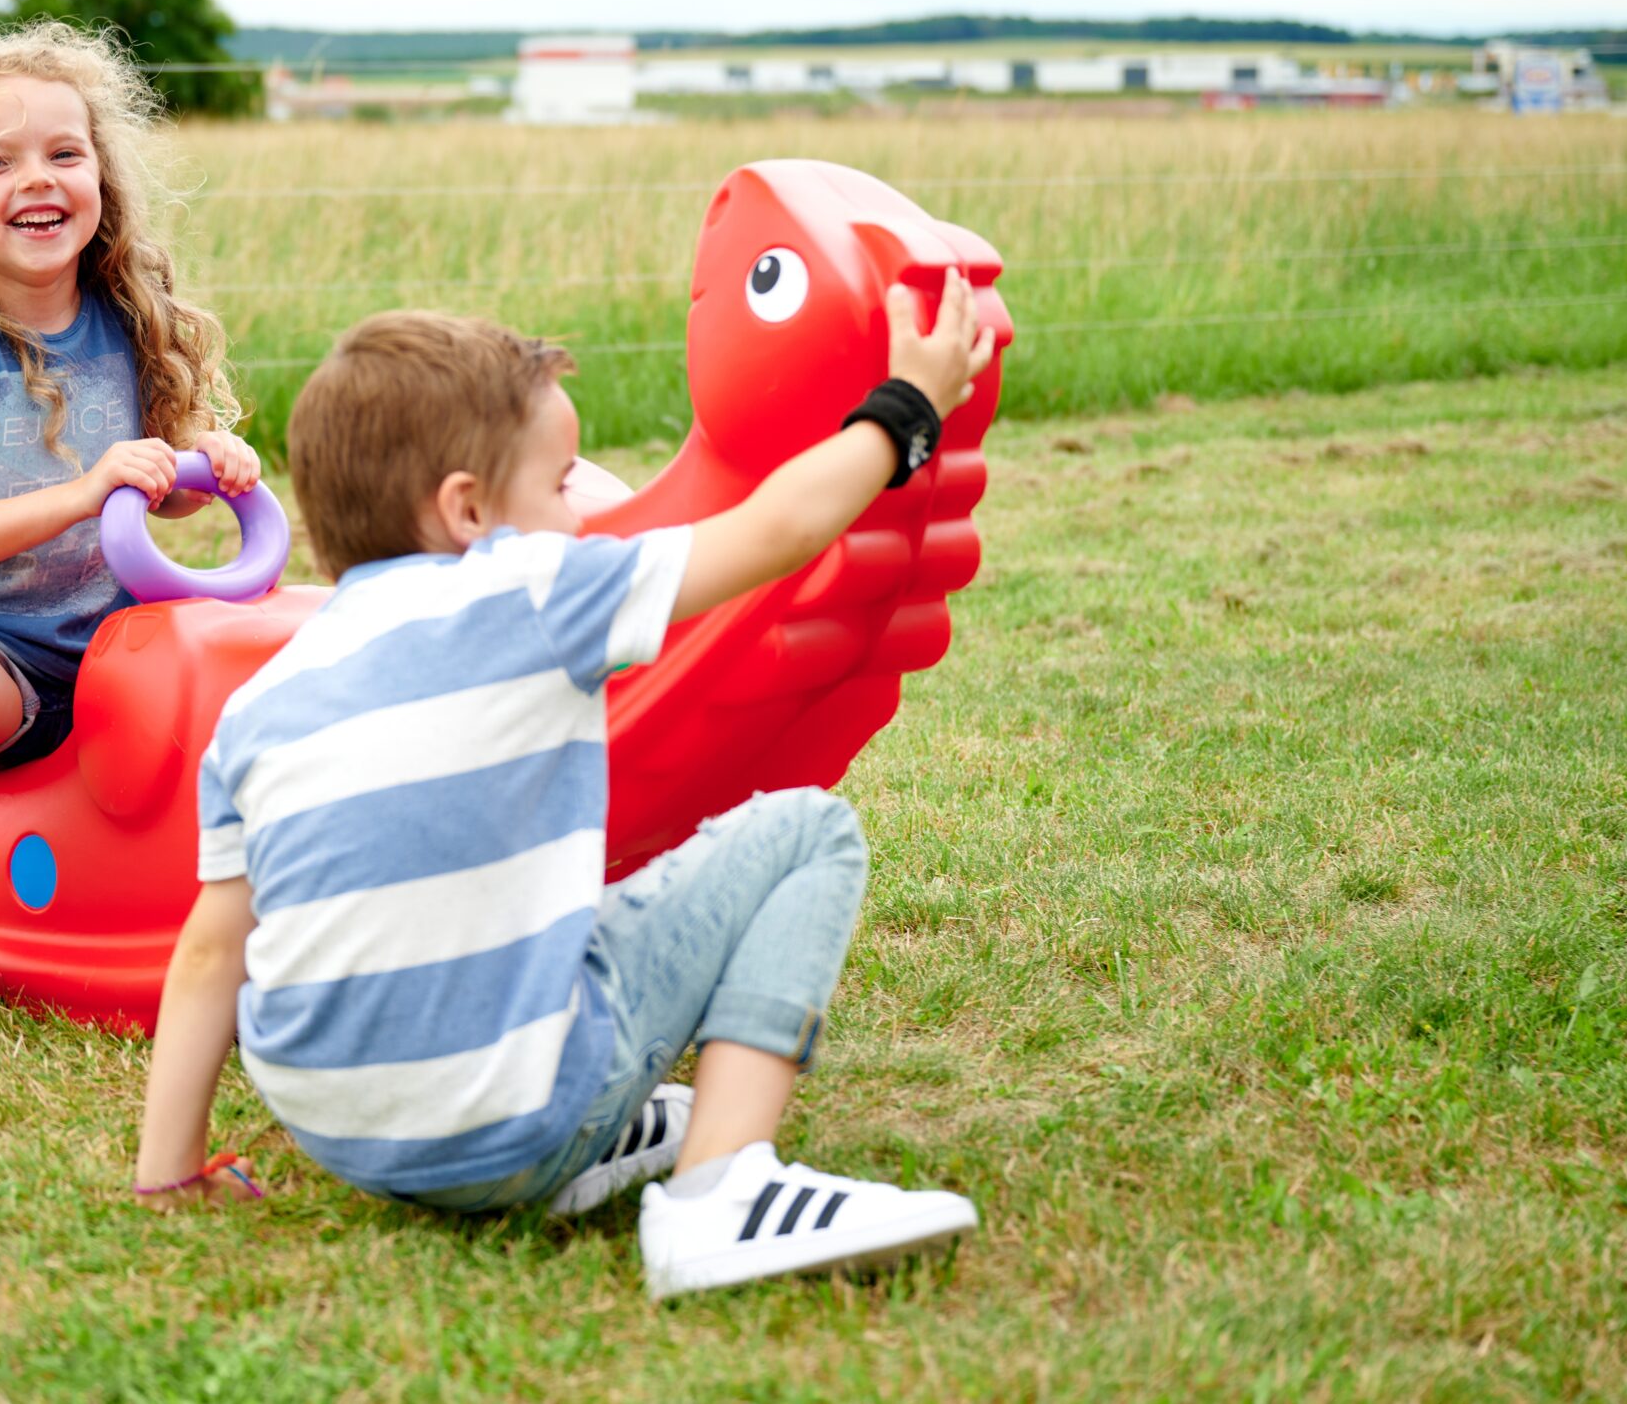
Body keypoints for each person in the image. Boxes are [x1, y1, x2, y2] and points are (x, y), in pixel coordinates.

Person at [133, 279, 994, 1298]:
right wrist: (908, 406)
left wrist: (169, 1171)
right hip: (512, 1120)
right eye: (556, 486)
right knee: (808, 833)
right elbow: (776, 532)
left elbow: (207, 953)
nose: (575, 514)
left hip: (340, 1134)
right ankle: (721, 1191)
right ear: (468, 512)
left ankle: (598, 1121)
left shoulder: (259, 701)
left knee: (560, 917)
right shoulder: (531, 588)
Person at [0, 24, 258, 1062]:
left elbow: (148, 498)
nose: (34, 180)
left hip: (121, 648)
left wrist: (200, 468)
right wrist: (84, 491)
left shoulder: (133, 314)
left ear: (100, 173)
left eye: (61, 154)